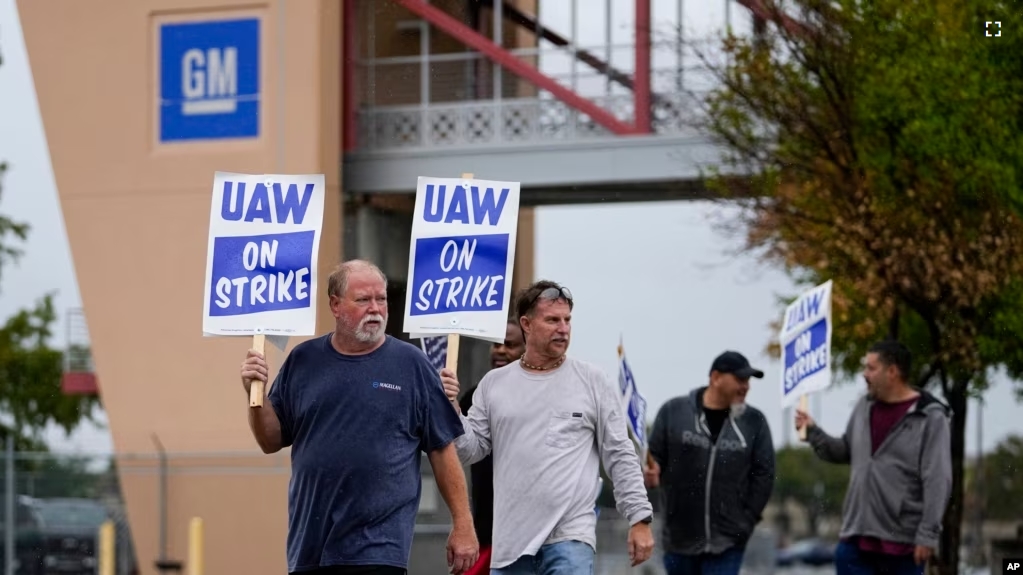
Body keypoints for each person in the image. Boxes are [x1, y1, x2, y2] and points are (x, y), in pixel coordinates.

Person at [239, 259, 479, 575]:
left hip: (378, 548)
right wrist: (253, 394)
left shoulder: (412, 365)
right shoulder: (303, 361)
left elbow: (442, 449)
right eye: (363, 300)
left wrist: (463, 524)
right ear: (335, 305)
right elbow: (270, 440)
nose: (375, 309)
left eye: (381, 299)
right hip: (310, 547)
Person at [442, 280, 655, 574]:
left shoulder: (592, 380)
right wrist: (450, 407)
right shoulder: (494, 384)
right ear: (527, 324)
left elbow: (620, 453)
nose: (563, 328)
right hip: (510, 546)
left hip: (570, 540)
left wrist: (639, 518)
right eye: (553, 320)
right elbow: (469, 450)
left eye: (567, 320)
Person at [795, 340, 951, 575]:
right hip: (855, 540)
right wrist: (814, 433)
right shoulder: (863, 406)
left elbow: (937, 479)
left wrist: (927, 535)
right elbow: (847, 451)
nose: (864, 374)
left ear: (892, 371)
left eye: (870, 368)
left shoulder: (930, 417)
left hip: (903, 546)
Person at [646, 350, 776, 575]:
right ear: (715, 377)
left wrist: (745, 523)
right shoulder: (674, 412)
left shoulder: (755, 422)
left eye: (747, 381)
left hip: (728, 544)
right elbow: (652, 460)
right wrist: (649, 473)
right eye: (739, 379)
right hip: (678, 541)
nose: (746, 386)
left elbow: (764, 475)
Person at [457, 317, 526, 575]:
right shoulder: (475, 396)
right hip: (485, 530)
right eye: (496, 344)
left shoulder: (539, 399)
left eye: (509, 345)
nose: (500, 350)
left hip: (527, 534)